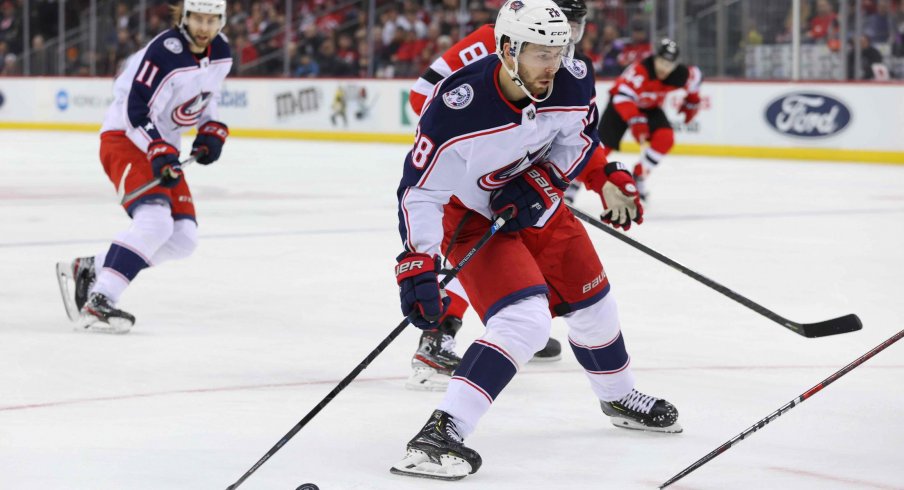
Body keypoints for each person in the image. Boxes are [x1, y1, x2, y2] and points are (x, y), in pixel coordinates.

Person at [390, 0, 679, 481]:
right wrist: (418, 260)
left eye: (559, 50)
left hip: (539, 207)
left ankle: (618, 396)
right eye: (541, 53)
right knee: (523, 320)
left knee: (594, 304)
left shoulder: (572, 77)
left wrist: (568, 177)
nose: (554, 63)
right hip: (473, 218)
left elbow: (578, 139)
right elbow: (421, 192)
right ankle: (440, 434)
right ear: (507, 49)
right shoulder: (456, 106)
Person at [404, 0, 597, 391]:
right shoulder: (495, 41)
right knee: (475, 242)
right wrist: (475, 151)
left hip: (512, 160)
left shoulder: (556, 58)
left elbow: (573, 129)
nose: (572, 33)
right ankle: (439, 335)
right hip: (468, 154)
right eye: (567, 21)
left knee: (518, 240)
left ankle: (517, 322)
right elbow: (423, 92)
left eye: (577, 25)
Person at [55, 0, 232, 334]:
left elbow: (210, 98)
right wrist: (159, 147)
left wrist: (211, 129)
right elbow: (137, 111)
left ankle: (93, 268)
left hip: (158, 147)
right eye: (198, 18)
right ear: (184, 16)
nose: (204, 27)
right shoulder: (165, 52)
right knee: (154, 223)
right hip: (125, 139)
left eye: (212, 20)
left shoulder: (221, 52)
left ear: (221, 20)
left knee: (183, 239)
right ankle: (100, 299)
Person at [600, 38, 703, 200]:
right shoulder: (640, 71)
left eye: (669, 65)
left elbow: (696, 78)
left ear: (675, 65)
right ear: (655, 58)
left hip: (650, 108)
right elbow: (622, 97)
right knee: (601, 149)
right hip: (620, 107)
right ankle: (573, 185)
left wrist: (692, 101)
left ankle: (639, 176)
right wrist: (635, 120)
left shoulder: (681, 74)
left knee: (665, 138)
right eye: (661, 62)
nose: (664, 68)